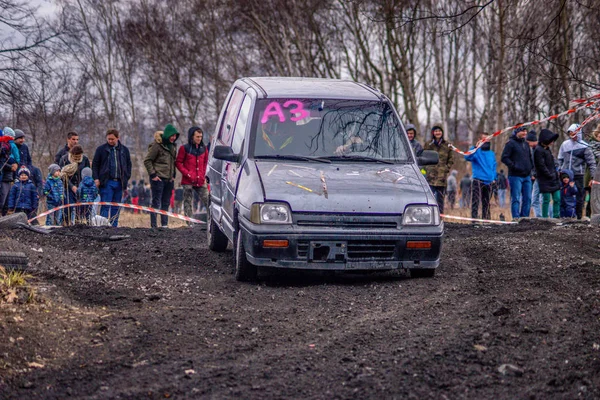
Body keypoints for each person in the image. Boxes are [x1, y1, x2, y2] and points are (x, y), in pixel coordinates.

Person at [92, 129, 132, 227]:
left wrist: (126, 177)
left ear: (118, 138)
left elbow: (129, 164)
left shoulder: (124, 150)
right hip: (106, 182)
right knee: (105, 205)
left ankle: (114, 226)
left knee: (116, 206)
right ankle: (103, 226)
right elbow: (95, 165)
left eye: (112, 139)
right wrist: (96, 178)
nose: (110, 141)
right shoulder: (101, 149)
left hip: (120, 182)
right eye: (108, 139)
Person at [557, 123, 597, 219]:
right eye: (571, 133)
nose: (573, 135)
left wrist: (593, 177)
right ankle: (565, 216)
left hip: (579, 175)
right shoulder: (564, 145)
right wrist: (559, 170)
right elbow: (560, 159)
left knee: (579, 197)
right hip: (565, 175)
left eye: (574, 133)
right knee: (564, 197)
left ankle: (578, 217)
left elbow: (591, 163)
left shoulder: (585, 146)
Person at [144, 124, 179, 228]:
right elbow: (147, 160)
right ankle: (154, 225)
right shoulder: (157, 146)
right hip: (158, 178)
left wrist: (173, 176)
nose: (173, 138)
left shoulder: (173, 147)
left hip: (169, 179)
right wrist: (153, 175)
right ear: (167, 135)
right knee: (156, 202)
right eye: (172, 136)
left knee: (166, 202)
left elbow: (173, 162)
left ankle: (164, 225)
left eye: (175, 136)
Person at [175, 126, 210, 222]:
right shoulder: (184, 148)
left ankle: (212, 222)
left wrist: (203, 175)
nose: (199, 138)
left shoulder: (204, 149)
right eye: (197, 136)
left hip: (200, 180)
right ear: (192, 137)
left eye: (201, 136)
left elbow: (206, 163)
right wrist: (187, 173)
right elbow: (178, 163)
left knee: (208, 201)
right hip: (188, 180)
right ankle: (189, 223)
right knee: (187, 203)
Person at [501, 126, 534, 220]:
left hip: (527, 176)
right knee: (516, 198)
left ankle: (525, 218)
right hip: (515, 176)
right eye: (523, 131)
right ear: (517, 132)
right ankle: (516, 218)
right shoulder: (510, 143)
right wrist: (514, 166)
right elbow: (504, 158)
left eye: (526, 131)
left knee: (527, 198)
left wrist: (531, 169)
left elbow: (530, 158)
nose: (525, 133)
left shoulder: (526, 144)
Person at [464, 133, 497, 220]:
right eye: (484, 138)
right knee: (475, 202)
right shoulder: (476, 151)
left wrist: (494, 178)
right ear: (480, 139)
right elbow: (467, 157)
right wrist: (475, 147)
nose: (486, 140)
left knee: (486, 203)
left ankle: (486, 220)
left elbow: (494, 166)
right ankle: (474, 221)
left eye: (487, 138)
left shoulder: (491, 153)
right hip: (478, 180)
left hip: (489, 181)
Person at [423, 125, 454, 213]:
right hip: (430, 177)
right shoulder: (428, 144)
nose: (438, 133)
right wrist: (427, 169)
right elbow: (423, 157)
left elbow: (451, 159)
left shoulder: (447, 145)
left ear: (442, 132)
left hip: (442, 177)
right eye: (436, 131)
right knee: (430, 198)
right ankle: (430, 215)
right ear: (433, 133)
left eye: (439, 131)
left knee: (440, 199)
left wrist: (446, 168)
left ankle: (440, 216)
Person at [59, 145, 91, 224]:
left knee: (80, 207)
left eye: (79, 157)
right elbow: (62, 175)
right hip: (68, 186)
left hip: (81, 186)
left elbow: (87, 174)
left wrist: (82, 186)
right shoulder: (64, 159)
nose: (77, 159)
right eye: (75, 157)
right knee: (68, 207)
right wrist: (71, 186)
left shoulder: (85, 160)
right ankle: (66, 223)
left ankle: (78, 223)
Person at [533, 129, 561, 218]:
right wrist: (549, 174)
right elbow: (541, 166)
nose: (552, 142)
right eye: (551, 140)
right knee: (546, 199)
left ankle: (556, 216)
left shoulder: (547, 149)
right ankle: (545, 218)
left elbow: (552, 163)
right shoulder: (538, 150)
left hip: (553, 178)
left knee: (557, 198)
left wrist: (555, 174)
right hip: (544, 179)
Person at [526, 130, 543, 218]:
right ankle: (541, 216)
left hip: (540, 178)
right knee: (539, 200)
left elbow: (538, 164)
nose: (528, 144)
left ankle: (541, 217)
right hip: (537, 177)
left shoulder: (538, 150)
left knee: (538, 200)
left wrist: (534, 174)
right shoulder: (533, 149)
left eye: (529, 142)